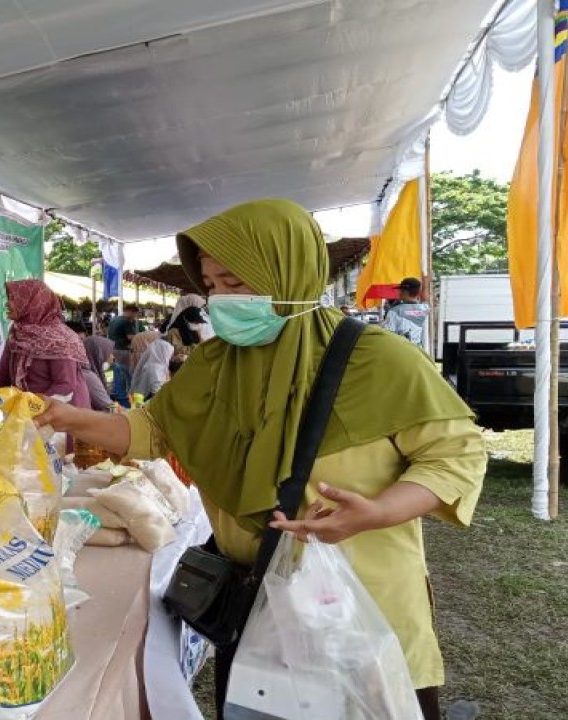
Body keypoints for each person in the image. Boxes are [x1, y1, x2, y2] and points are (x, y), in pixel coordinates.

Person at [35, 199, 485, 720]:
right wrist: (72, 419)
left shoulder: (380, 358)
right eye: (212, 286)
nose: (221, 301)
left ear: (288, 272)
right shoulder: (213, 361)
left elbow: (454, 455)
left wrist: (380, 511)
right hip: (254, 602)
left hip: (357, 602)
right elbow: (156, 430)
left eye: (236, 283)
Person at [0, 279, 91, 409]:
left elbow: (64, 386)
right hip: (30, 414)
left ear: (32, 302)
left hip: (63, 416)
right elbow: (3, 376)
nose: (7, 304)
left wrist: (30, 408)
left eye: (13, 299)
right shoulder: (17, 335)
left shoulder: (60, 339)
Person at [382, 276, 432, 352]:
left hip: (401, 353)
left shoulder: (394, 311)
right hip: (418, 353)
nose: (399, 292)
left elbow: (387, 335)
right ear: (418, 292)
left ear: (404, 292)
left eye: (400, 290)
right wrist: (425, 282)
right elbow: (426, 299)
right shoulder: (424, 309)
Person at [107, 304, 140, 401]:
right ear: (130, 311)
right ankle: (123, 394)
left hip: (112, 348)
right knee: (124, 372)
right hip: (122, 350)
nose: (135, 316)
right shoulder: (126, 322)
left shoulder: (114, 319)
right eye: (135, 314)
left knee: (114, 371)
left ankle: (113, 392)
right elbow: (130, 337)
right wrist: (139, 336)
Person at [164, 294, 208, 364]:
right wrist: (198, 348)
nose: (197, 325)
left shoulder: (194, 331)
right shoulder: (174, 332)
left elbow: (203, 345)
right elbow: (178, 350)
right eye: (195, 322)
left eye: (198, 323)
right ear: (185, 320)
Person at [83, 333, 117, 411]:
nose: (112, 357)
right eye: (109, 353)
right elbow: (108, 406)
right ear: (99, 353)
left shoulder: (94, 371)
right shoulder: (88, 376)